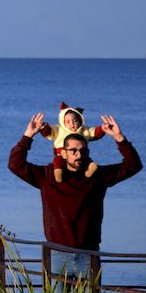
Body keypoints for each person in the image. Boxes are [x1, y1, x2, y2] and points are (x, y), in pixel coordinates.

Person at [8, 111, 141, 279]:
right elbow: (15, 165)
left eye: (83, 151)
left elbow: (133, 166)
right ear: (62, 153)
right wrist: (28, 136)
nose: (79, 154)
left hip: (89, 254)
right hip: (57, 254)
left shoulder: (97, 176)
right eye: (73, 150)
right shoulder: (47, 176)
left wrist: (119, 137)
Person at [40, 102, 104, 182]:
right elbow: (50, 132)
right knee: (58, 162)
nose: (72, 124)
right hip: (61, 152)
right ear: (63, 122)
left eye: (75, 121)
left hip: (80, 153)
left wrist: (102, 129)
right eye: (68, 122)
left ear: (80, 121)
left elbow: (94, 132)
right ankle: (58, 173)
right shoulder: (59, 129)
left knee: (86, 160)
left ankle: (91, 168)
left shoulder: (84, 130)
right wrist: (43, 127)